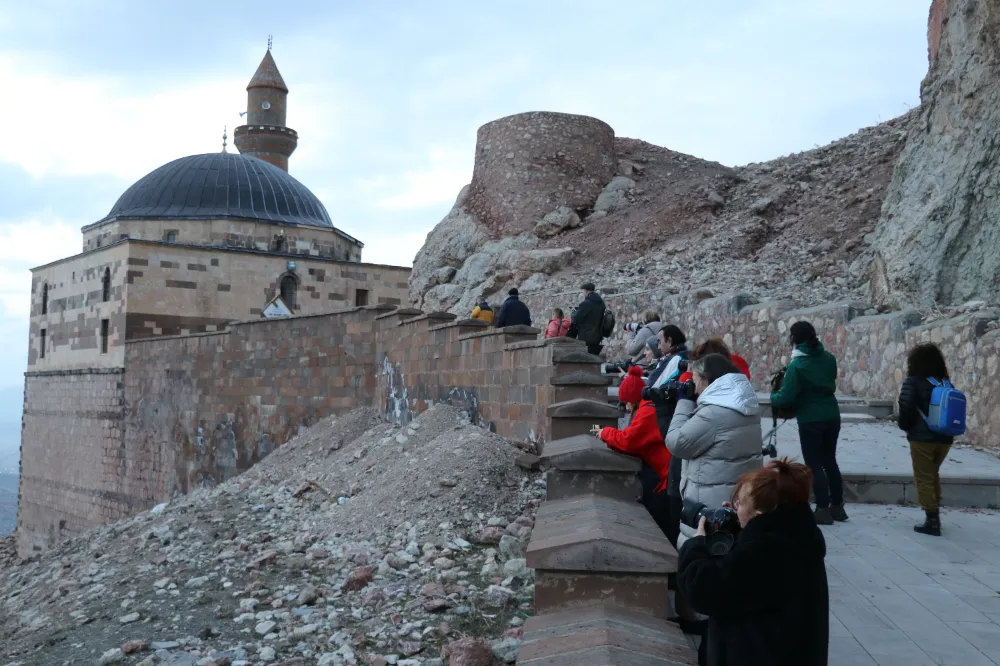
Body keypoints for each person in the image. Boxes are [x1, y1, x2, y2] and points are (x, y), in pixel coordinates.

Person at [677, 458, 829, 666]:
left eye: (740, 504)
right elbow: (750, 585)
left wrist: (696, 545)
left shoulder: (763, 551)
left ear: (758, 515)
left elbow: (703, 590)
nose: (735, 508)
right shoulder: (799, 535)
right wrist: (741, 530)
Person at [667, 353, 763, 547]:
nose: (694, 390)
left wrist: (683, 402)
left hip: (709, 506)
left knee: (702, 560)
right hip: (733, 498)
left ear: (706, 380)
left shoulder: (713, 413)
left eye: (695, 382)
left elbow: (676, 443)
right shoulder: (742, 404)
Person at [770, 321, 844, 525]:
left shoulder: (797, 366)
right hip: (832, 414)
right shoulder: (828, 358)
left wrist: (773, 397)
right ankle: (838, 507)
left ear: (794, 339)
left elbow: (786, 398)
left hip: (811, 418)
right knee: (830, 460)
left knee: (814, 463)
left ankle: (822, 509)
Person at [590, 366, 673, 535]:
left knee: (665, 525)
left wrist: (605, 433)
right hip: (664, 474)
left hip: (666, 477)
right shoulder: (647, 407)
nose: (626, 409)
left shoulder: (647, 412)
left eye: (627, 403)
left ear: (633, 400)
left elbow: (629, 440)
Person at [898, 343, 955, 537]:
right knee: (933, 474)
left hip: (922, 438)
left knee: (923, 477)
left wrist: (906, 426)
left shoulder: (913, 381)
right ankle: (935, 512)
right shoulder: (945, 382)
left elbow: (905, 405)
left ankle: (932, 519)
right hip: (945, 438)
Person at [569, 282, 606, 356]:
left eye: (583, 291)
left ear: (586, 291)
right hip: (597, 336)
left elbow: (576, 318)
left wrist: (573, 313)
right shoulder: (601, 303)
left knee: (584, 359)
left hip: (585, 336)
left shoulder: (586, 303)